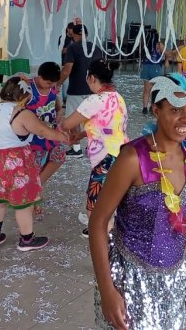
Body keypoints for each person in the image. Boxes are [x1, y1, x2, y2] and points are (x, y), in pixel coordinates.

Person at [89, 74, 186, 330]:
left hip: (176, 272)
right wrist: (108, 290)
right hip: (131, 275)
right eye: (175, 110)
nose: (185, 119)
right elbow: (98, 222)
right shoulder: (132, 159)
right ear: (156, 110)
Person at [0, 77, 70, 252]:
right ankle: (27, 240)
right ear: (25, 96)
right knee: (24, 202)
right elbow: (42, 131)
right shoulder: (20, 113)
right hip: (14, 162)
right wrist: (63, 137)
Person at [59, 59, 128, 237]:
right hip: (122, 154)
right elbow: (109, 127)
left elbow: (67, 124)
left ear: (91, 78)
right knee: (111, 195)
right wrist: (82, 135)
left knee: (95, 204)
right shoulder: (117, 97)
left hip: (105, 158)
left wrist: (56, 115)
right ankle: (108, 230)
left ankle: (104, 238)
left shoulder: (94, 100)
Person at [25, 62, 66, 216]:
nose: (50, 87)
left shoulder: (52, 88)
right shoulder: (28, 89)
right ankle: (34, 195)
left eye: (53, 84)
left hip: (50, 132)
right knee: (34, 168)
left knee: (60, 153)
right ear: (39, 77)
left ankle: (37, 187)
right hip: (33, 137)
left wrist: (59, 110)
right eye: (48, 83)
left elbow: (55, 100)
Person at [59, 24, 103, 157]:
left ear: (74, 35)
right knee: (93, 119)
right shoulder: (95, 47)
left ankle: (76, 148)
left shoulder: (73, 47)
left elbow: (67, 69)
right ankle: (92, 147)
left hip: (76, 89)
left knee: (74, 118)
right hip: (94, 88)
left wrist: (57, 84)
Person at [140, 28, 165, 115]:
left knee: (146, 90)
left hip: (146, 68)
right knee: (155, 90)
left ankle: (144, 108)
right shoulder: (159, 45)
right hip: (156, 68)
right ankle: (152, 107)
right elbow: (164, 54)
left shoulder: (146, 44)